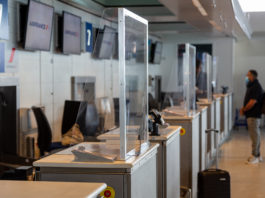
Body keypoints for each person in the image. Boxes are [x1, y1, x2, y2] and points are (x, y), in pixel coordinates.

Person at [240, 70, 263, 164]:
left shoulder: (256, 86)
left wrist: (244, 109)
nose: (246, 77)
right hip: (251, 115)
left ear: (252, 76)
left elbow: (252, 102)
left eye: (248, 75)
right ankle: (257, 154)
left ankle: (255, 156)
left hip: (253, 114)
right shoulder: (252, 85)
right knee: (255, 135)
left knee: (255, 136)